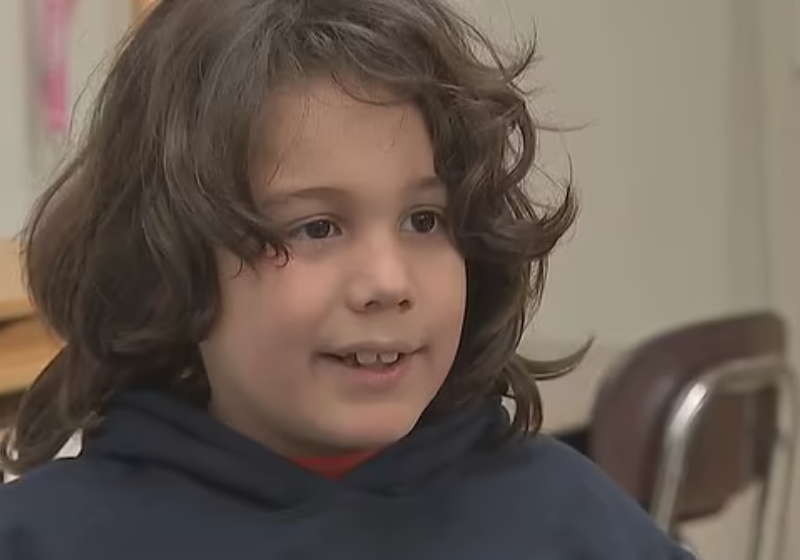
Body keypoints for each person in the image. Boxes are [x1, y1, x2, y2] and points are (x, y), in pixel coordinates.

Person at [0, 1, 694, 558]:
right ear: (169, 261)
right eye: (317, 228)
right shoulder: (48, 536)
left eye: (425, 220)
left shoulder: (567, 516)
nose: (388, 282)